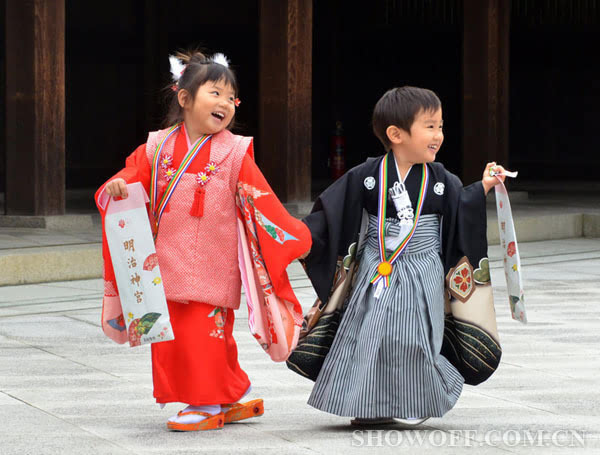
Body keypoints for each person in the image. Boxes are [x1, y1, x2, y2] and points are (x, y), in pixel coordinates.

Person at [95, 50, 311, 431]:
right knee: (171, 335)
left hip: (213, 261)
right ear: (184, 98)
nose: (225, 104)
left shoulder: (235, 151)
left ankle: (208, 401)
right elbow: (131, 177)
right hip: (164, 261)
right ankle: (226, 391)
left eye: (231, 97)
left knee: (205, 334)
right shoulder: (156, 146)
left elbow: (260, 199)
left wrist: (294, 234)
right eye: (215, 93)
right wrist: (118, 186)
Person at [300, 86, 506, 425]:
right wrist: (299, 236)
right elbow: (331, 212)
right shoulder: (367, 175)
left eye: (440, 126)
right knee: (368, 333)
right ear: (396, 134)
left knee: (411, 337)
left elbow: (460, 209)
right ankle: (367, 406)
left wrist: (481, 187)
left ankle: (413, 400)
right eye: (429, 126)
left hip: (422, 266)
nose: (438, 135)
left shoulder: (440, 180)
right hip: (375, 268)